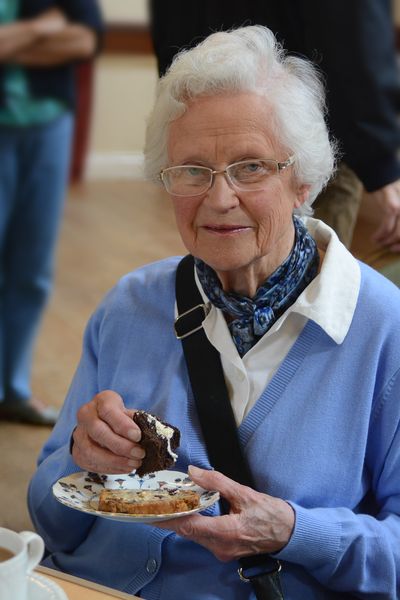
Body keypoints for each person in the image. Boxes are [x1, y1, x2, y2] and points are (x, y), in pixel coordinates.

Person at [28, 26, 400, 599]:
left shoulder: (383, 329)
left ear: (302, 181)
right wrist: (80, 460)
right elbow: (49, 515)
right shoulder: (131, 306)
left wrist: (294, 532)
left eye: (251, 167)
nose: (219, 198)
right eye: (192, 171)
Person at [149, 0, 400, 253]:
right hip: (300, 123)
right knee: (309, 278)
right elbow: (354, 29)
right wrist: (378, 161)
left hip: (223, 114)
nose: (221, 200)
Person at [0, 0, 103, 425]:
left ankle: (11, 388)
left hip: (48, 124)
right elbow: (65, 35)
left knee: (32, 268)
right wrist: (44, 28)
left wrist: (12, 41)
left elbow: (84, 38)